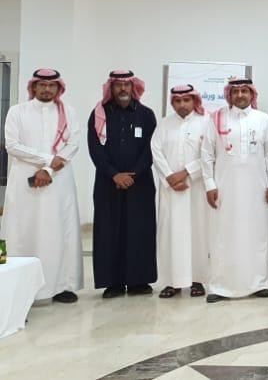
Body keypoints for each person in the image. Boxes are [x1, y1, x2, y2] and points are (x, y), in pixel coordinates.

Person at [1, 68, 83, 303]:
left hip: (58, 180)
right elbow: (12, 145)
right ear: (33, 87)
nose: (47, 89)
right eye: (42, 85)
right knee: (22, 231)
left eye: (52, 85)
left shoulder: (68, 112)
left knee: (59, 230)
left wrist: (48, 170)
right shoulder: (17, 111)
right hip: (24, 183)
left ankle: (62, 286)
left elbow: (73, 144)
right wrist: (47, 160)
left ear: (59, 88)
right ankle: (17, 286)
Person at [201, 78, 268, 303]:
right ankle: (220, 286)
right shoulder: (216, 118)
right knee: (223, 235)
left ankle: (259, 283)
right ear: (230, 95)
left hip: (257, 189)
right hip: (225, 189)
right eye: (236, 91)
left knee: (257, 235)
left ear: (252, 94)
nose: (241, 95)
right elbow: (207, 153)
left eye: (245, 91)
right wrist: (209, 184)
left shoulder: (263, 119)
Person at [88, 69, 158, 299]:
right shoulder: (99, 114)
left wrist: (133, 174)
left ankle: (139, 281)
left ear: (133, 87)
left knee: (139, 230)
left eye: (126, 85)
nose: (123, 89)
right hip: (108, 183)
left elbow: (151, 149)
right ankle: (113, 283)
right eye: (118, 85)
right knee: (109, 231)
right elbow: (95, 149)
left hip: (140, 184)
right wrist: (114, 175)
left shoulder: (146, 115)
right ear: (111, 88)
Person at [150, 84, 210, 299]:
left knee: (198, 233)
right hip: (171, 191)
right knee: (170, 234)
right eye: (177, 101)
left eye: (186, 100)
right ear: (172, 103)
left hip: (195, 188)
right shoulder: (164, 124)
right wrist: (170, 177)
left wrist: (186, 173)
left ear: (194, 101)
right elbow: (155, 151)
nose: (182, 104)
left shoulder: (206, 122)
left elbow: (209, 153)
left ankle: (197, 280)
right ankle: (171, 282)